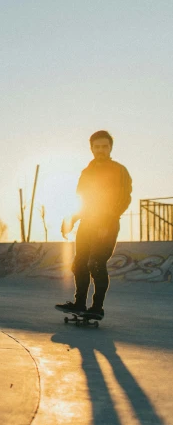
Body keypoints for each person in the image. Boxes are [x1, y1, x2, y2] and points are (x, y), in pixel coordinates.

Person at [56, 130, 132, 319]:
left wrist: (108, 220)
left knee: (96, 263)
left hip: (106, 226)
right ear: (91, 148)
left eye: (104, 147)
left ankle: (97, 307)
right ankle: (79, 303)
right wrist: (71, 220)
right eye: (97, 147)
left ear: (110, 148)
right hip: (87, 225)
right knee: (79, 264)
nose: (101, 150)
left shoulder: (119, 170)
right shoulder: (86, 172)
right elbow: (81, 200)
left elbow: (124, 199)